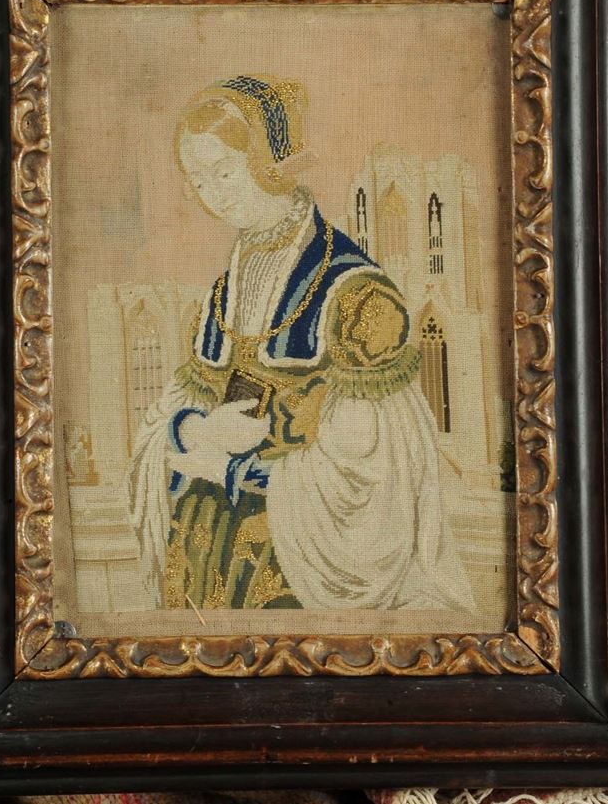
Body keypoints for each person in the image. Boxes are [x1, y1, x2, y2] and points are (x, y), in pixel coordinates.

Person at [128, 74, 473, 612]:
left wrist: (232, 470)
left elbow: (374, 466)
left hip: (303, 561)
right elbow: (170, 415)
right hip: (203, 555)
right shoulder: (220, 297)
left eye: (223, 172)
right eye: (198, 180)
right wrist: (195, 431)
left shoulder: (356, 296)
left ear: (270, 163)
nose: (212, 193)